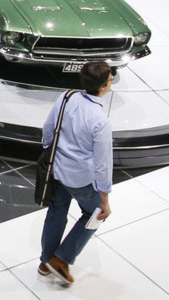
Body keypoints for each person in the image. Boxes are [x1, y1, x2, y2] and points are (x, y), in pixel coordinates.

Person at [37, 61, 114, 286]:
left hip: (57, 168)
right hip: (81, 178)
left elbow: (48, 129)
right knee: (95, 213)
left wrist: (50, 152)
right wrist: (105, 198)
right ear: (103, 86)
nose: (111, 81)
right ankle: (61, 259)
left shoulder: (67, 97)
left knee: (56, 210)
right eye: (110, 79)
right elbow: (103, 164)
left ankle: (45, 261)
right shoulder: (100, 121)